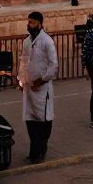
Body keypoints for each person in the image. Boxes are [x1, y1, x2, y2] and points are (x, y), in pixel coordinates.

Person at [18, 11, 58, 163]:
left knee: (44, 119)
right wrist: (21, 81)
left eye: (33, 22)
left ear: (40, 24)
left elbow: (53, 64)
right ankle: (34, 151)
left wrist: (42, 80)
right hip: (29, 88)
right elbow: (23, 62)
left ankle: (42, 149)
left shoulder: (47, 41)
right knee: (30, 119)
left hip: (42, 89)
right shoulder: (27, 41)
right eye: (28, 22)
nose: (29, 25)